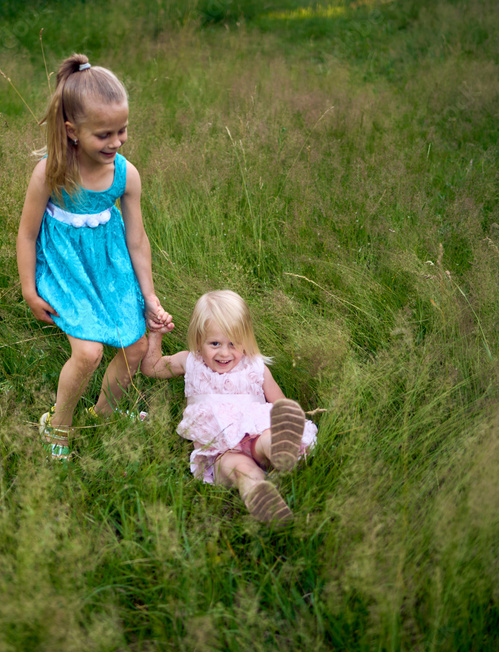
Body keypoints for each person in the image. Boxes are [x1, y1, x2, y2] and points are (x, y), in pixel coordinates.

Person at [17, 54, 171, 461]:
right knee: (88, 353)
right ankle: (59, 424)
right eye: (104, 135)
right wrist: (29, 291)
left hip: (111, 269)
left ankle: (102, 414)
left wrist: (150, 296)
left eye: (122, 131)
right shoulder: (50, 174)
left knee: (135, 349)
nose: (116, 142)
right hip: (66, 271)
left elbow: (137, 239)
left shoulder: (126, 174)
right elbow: (27, 233)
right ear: (72, 131)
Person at [140, 290, 317, 523]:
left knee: (268, 438)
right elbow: (152, 368)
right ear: (198, 340)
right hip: (222, 451)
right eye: (214, 343)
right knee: (242, 472)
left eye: (233, 344)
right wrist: (155, 335)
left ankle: (280, 452)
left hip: (255, 436)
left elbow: (279, 404)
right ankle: (265, 501)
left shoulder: (256, 367)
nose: (224, 352)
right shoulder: (190, 361)